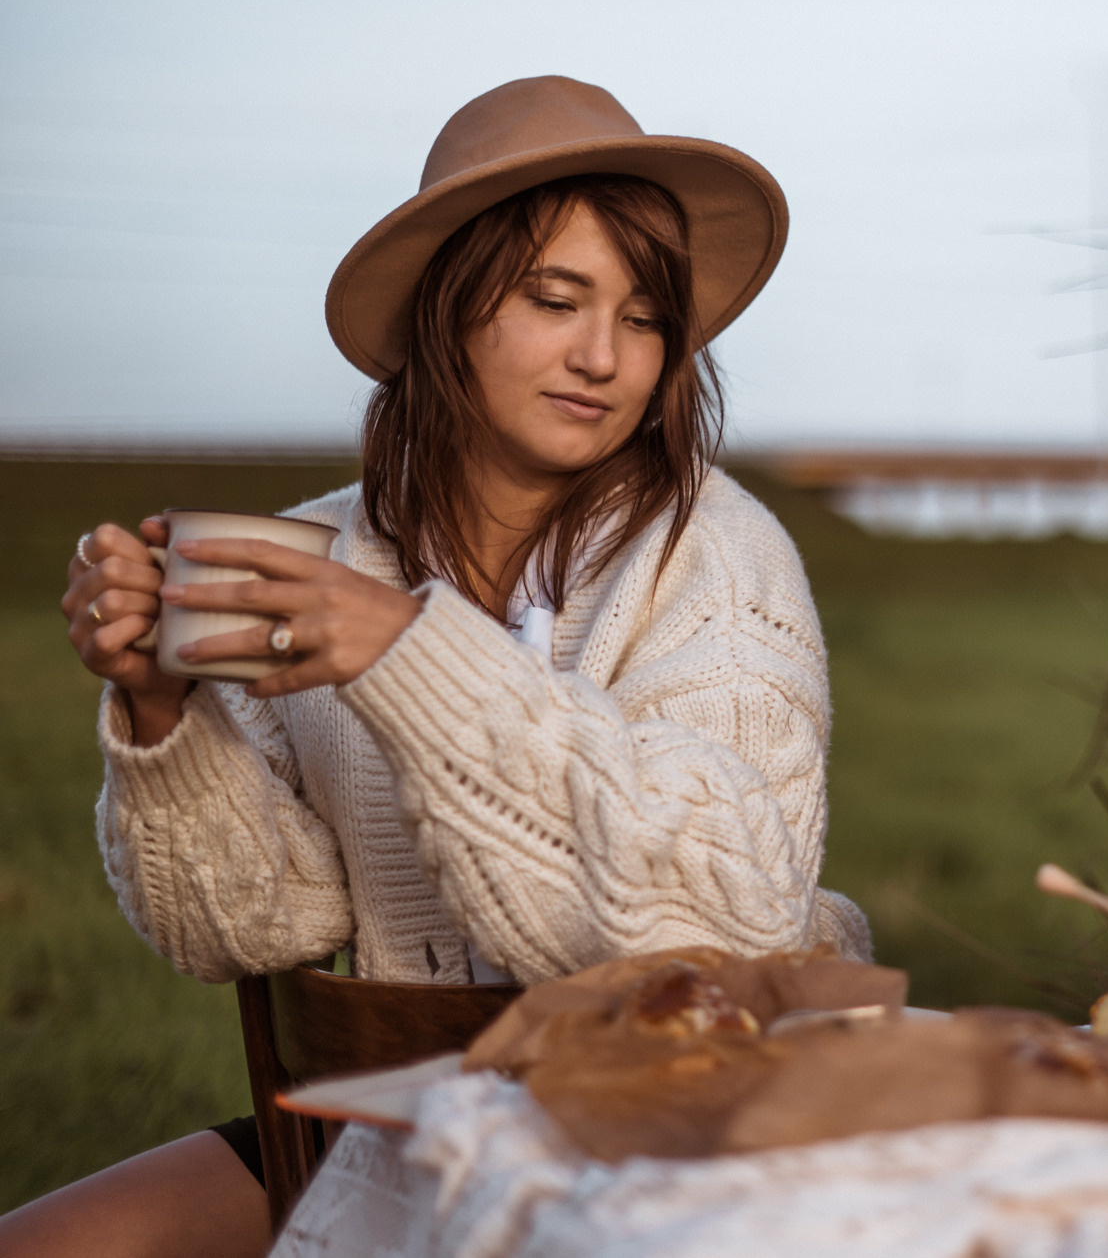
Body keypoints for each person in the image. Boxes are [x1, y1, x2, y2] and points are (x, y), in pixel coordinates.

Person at [1, 75, 867, 1258]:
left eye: (645, 317)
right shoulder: (321, 557)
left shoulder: (715, 556)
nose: (605, 357)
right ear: (441, 310)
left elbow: (731, 926)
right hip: (408, 1119)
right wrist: (161, 711)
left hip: (697, 1143)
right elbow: (248, 926)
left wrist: (407, 655)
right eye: (556, 300)